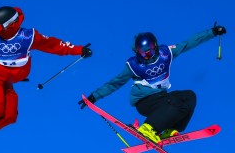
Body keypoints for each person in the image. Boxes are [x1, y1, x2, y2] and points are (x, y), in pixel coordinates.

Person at [0, 7, 89, 140]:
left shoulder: (28, 37)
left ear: (11, 24)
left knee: (9, 116)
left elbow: (53, 45)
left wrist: (79, 49)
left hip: (7, 82)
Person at [80, 25, 227, 143]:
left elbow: (189, 43)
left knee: (189, 96)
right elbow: (115, 83)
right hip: (145, 102)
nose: (146, 56)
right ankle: (148, 127)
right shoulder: (134, 65)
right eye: (142, 53)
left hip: (161, 99)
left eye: (149, 52)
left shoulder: (166, 53)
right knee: (174, 101)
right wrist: (94, 96)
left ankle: (170, 129)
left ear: (155, 47)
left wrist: (212, 32)